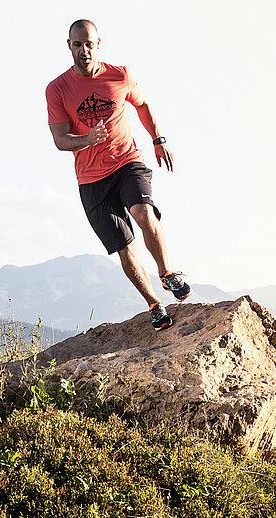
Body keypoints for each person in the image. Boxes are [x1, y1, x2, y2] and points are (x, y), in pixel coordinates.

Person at [45, 18, 190, 331]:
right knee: (124, 246)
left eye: (89, 44)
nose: (83, 50)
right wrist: (87, 139)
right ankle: (154, 304)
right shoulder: (57, 89)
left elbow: (143, 104)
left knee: (144, 212)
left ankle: (167, 274)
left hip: (127, 162)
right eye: (77, 44)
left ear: (99, 44)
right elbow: (60, 139)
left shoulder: (119, 75)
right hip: (91, 180)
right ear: (68, 46)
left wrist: (158, 139)